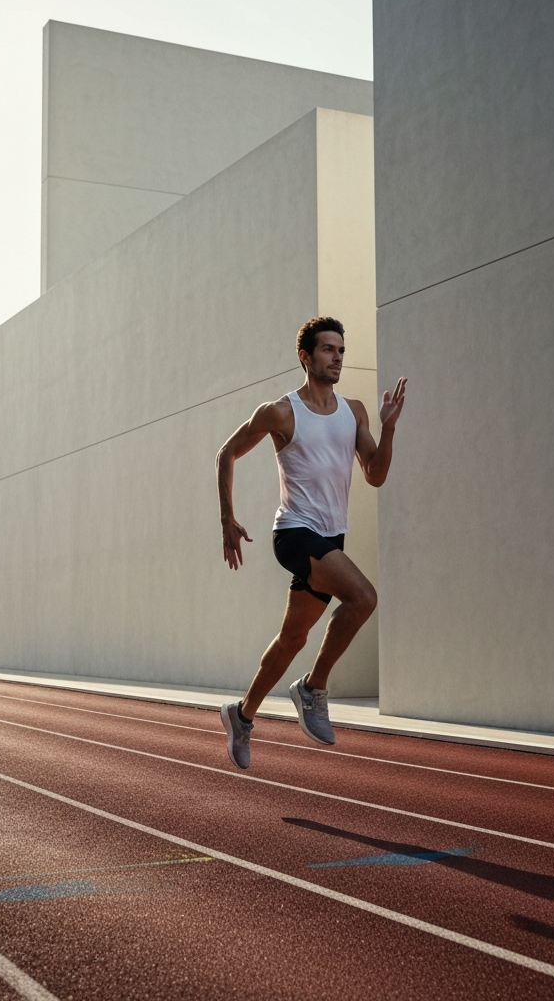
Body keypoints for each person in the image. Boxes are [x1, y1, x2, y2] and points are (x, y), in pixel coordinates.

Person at [215, 316, 406, 768]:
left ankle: (241, 716)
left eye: (341, 350)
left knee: (292, 638)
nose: (337, 357)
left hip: (330, 536)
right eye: (327, 350)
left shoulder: (354, 411)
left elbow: (374, 475)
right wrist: (227, 518)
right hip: (295, 533)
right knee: (363, 598)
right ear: (305, 356)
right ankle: (313, 689)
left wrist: (390, 427)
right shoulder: (280, 412)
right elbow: (226, 453)